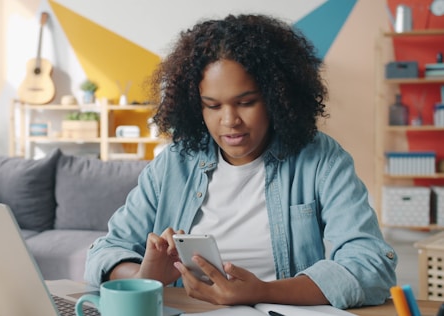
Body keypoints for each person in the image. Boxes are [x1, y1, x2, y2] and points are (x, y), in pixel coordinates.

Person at [84, 13, 397, 309]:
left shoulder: (320, 160)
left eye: (246, 102)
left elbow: (370, 265)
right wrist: (144, 278)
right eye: (212, 105)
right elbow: (105, 252)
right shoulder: (173, 165)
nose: (229, 120)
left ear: (277, 97)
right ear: (196, 106)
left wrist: (262, 291)